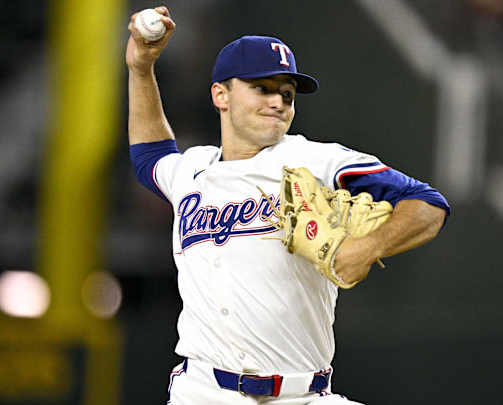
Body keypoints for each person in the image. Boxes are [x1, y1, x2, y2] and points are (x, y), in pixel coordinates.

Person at [126, 6, 450, 405]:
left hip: (300, 395)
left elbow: (428, 204)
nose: (278, 101)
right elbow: (149, 156)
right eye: (262, 88)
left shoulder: (317, 161)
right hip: (204, 392)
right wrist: (141, 70)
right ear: (220, 95)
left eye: (287, 94)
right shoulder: (191, 170)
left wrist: (366, 248)